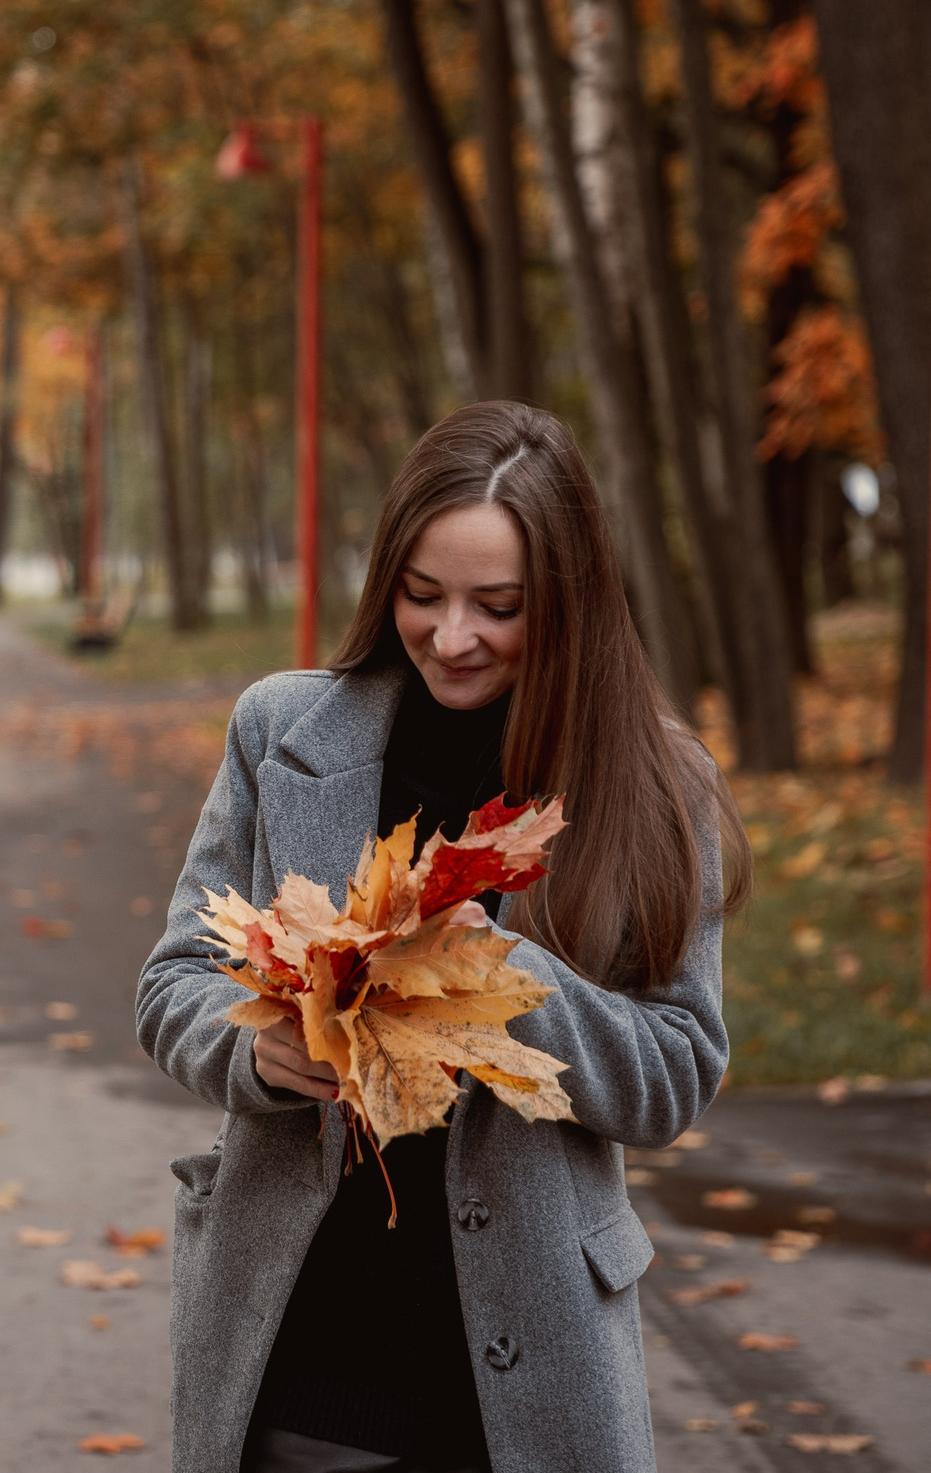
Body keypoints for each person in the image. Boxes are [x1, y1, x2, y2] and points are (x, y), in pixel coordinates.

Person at [135, 401, 749, 1473]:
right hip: (304, 1344)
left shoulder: (652, 787)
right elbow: (174, 980)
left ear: (564, 604)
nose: (450, 636)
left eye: (496, 606)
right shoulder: (282, 732)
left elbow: (676, 1073)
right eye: (423, 596)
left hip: (529, 1368)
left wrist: (506, 980)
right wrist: (254, 1051)